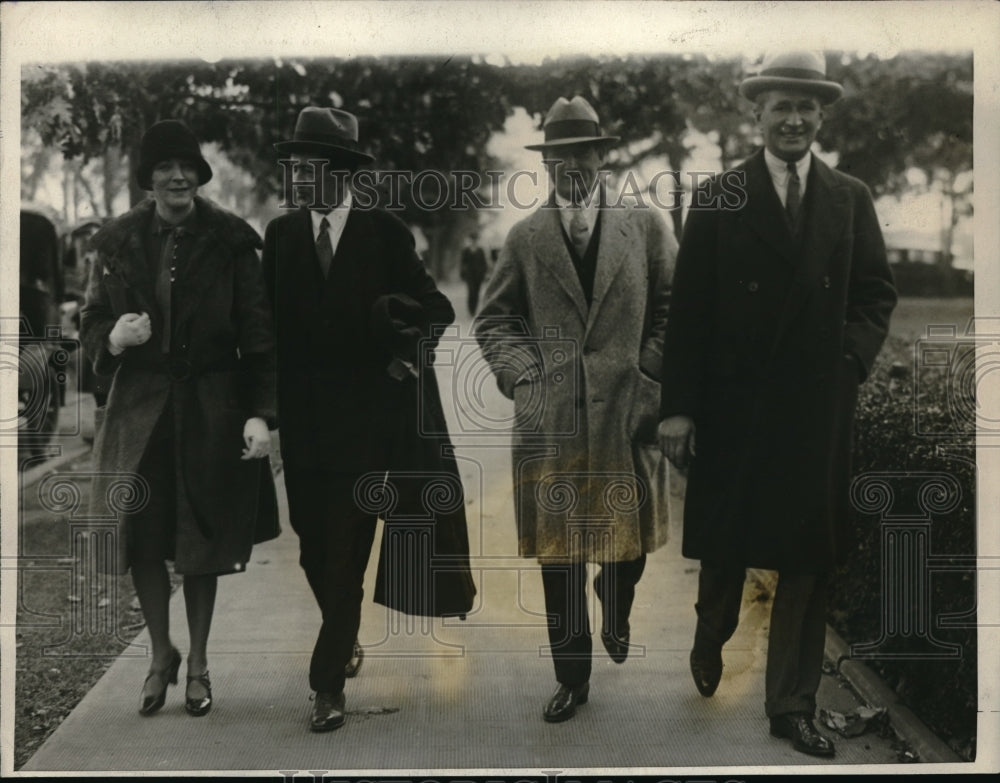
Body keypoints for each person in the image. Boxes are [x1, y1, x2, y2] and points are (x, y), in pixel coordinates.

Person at [658, 52, 898, 757]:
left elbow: (875, 294)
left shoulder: (849, 197)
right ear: (755, 115)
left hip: (817, 409)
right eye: (779, 106)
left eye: (806, 106)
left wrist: (849, 360)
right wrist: (679, 407)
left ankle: (791, 704)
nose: (793, 118)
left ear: (821, 116)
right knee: (728, 543)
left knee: (807, 558)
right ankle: (712, 628)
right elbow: (689, 314)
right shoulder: (719, 197)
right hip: (736, 406)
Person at [475, 96, 676, 722]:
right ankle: (572, 679)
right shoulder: (527, 237)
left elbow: (677, 308)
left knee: (629, 544)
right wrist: (523, 376)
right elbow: (494, 319)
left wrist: (647, 372)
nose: (572, 169)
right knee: (559, 553)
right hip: (551, 421)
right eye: (559, 158)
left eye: (582, 156)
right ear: (547, 165)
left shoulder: (644, 227)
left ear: (601, 157)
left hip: (626, 410)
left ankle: (614, 603)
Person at [263, 106, 460, 733]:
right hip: (303, 426)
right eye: (292, 165)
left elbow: (436, 310)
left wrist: (401, 354)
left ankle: (326, 687)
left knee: (345, 554)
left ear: (340, 171)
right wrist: (263, 412)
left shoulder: (384, 232)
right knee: (313, 549)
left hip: (368, 428)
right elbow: (265, 328)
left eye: (307, 165)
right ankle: (343, 636)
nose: (296, 175)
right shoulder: (281, 235)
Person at [81, 119, 279, 718]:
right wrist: (111, 338)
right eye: (165, 168)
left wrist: (260, 416)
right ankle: (159, 654)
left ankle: (198, 663)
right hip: (139, 414)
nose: (177, 177)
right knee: (144, 536)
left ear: (199, 176)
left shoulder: (232, 241)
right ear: (148, 179)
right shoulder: (114, 244)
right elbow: (89, 323)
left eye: (187, 168)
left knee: (202, 540)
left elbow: (260, 336)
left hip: (211, 412)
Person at [459, 232, 488, 315]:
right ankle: (470, 309)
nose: (474, 241)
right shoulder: (466, 250)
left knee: (477, 292)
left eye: (475, 240)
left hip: (479, 275)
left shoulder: (481, 250)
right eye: (472, 240)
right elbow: (463, 263)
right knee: (471, 291)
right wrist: (462, 273)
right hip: (469, 274)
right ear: (470, 240)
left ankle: (474, 309)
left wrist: (484, 273)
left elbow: (484, 263)